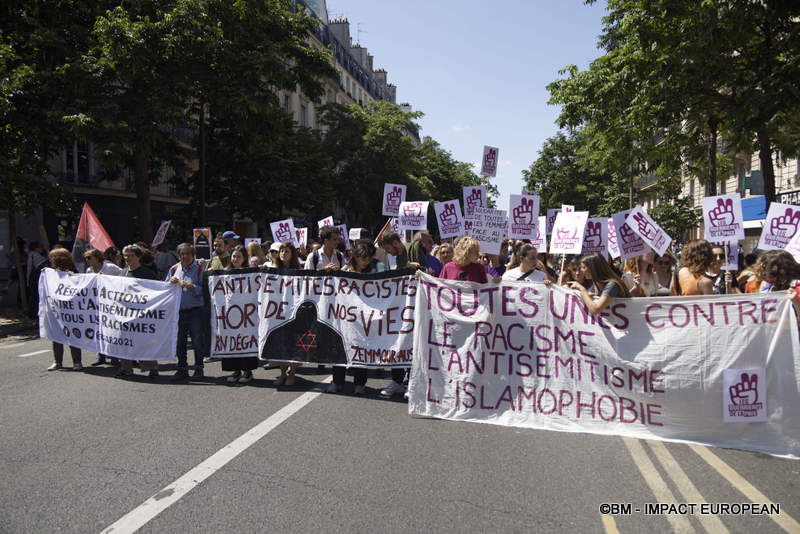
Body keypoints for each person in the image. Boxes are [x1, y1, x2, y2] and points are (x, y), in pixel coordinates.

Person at [329, 240, 385, 394]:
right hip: (345, 318)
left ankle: (360, 384)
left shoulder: (374, 271)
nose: (367, 262)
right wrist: (329, 272)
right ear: (355, 257)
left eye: (368, 259)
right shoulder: (345, 270)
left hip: (364, 319)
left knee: (362, 349)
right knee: (340, 349)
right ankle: (337, 381)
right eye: (363, 259)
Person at [116, 245, 160, 378]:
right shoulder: (122, 273)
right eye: (126, 256)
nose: (127, 258)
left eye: (131, 256)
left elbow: (157, 291)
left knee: (145, 341)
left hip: (142, 315)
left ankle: (151, 368)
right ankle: (126, 368)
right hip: (125, 315)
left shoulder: (147, 274)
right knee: (124, 341)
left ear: (138, 257)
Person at [167, 243, 207, 381]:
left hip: (196, 311)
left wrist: (192, 287)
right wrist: (169, 283)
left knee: (197, 341)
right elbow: (165, 289)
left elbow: (206, 291)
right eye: (182, 254)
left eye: (187, 254)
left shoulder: (199, 270)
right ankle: (182, 368)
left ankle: (198, 369)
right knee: (180, 342)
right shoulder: (174, 269)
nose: (184, 256)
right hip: (178, 312)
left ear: (193, 255)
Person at [222, 245, 259, 383]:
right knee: (233, 341)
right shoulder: (225, 273)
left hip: (246, 315)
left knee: (245, 340)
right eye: (233, 256)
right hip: (230, 314)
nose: (235, 259)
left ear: (244, 259)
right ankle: (235, 370)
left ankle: (247, 371)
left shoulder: (249, 273)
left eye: (239, 256)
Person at [45, 249, 83, 371]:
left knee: (72, 335)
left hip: (70, 311)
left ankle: (77, 362)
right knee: (56, 335)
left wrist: (71, 277)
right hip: (57, 310)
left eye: (52, 258)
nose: (50, 261)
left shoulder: (73, 272)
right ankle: (57, 362)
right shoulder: (52, 273)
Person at [84, 248, 122, 366]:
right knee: (99, 331)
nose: (87, 260)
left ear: (97, 258)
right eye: (86, 258)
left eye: (89, 258)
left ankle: (115, 357)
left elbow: (124, 278)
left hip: (111, 304)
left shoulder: (111, 268)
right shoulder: (89, 270)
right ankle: (101, 356)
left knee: (111, 330)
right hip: (97, 305)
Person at [272, 242, 302, 387]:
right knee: (280, 345)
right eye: (281, 251)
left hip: (293, 312)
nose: (283, 253)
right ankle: (283, 373)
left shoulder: (298, 270)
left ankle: (292, 374)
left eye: (287, 251)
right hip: (277, 313)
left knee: (292, 344)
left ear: (292, 254)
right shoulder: (273, 270)